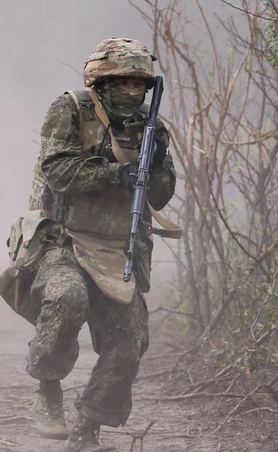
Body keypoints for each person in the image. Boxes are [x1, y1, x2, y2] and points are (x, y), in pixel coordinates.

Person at [22, 38, 176, 451]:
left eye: (139, 82)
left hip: (118, 248)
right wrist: (114, 173)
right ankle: (48, 389)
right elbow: (56, 170)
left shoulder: (152, 125)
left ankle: (87, 428)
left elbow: (160, 197)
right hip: (64, 239)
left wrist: (156, 160)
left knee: (130, 340)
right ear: (100, 80)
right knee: (67, 298)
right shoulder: (71, 109)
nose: (131, 90)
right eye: (122, 80)